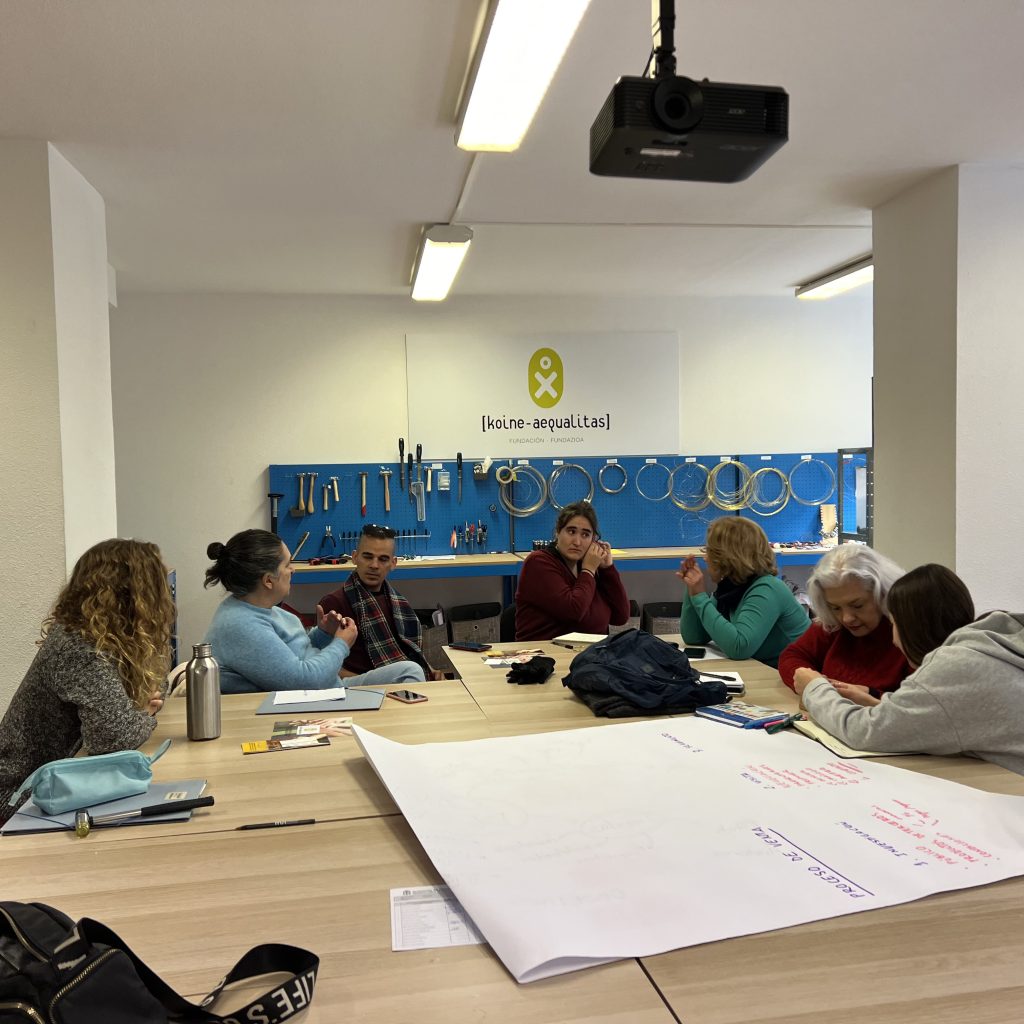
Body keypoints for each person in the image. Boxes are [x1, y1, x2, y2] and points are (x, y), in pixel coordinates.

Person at [0, 539, 173, 822]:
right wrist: (144, 714)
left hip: (62, 786)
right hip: (23, 800)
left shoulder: (107, 639)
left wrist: (137, 714)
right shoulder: (78, 647)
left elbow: (155, 684)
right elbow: (113, 739)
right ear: (134, 595)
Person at [795, 564, 1024, 774]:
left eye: (893, 623)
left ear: (910, 626)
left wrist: (814, 688)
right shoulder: (993, 643)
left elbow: (861, 731)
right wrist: (881, 705)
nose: (893, 639)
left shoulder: (956, 666)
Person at [204, 529, 363, 693]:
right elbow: (304, 682)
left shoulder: (266, 610)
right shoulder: (241, 625)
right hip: (313, 699)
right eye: (287, 565)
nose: (293, 570)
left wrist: (323, 634)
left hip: (330, 690)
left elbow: (292, 654)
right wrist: (341, 644)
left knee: (384, 676)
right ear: (268, 580)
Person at [778, 544, 909, 703]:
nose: (846, 618)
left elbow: (919, 705)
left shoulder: (908, 634)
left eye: (857, 605)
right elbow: (792, 656)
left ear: (882, 594)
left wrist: (872, 694)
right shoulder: (833, 625)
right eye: (835, 608)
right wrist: (814, 683)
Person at [678, 517, 809, 667]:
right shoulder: (731, 589)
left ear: (728, 557)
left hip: (798, 674)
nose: (705, 558)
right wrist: (693, 591)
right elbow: (694, 637)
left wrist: (700, 597)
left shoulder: (767, 589)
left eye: (710, 551)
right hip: (771, 671)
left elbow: (739, 648)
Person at [317, 524, 434, 683]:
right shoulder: (333, 604)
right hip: (360, 689)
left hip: (401, 680)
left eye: (383, 559)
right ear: (355, 557)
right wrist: (374, 684)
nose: (374, 565)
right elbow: (322, 668)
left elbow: (409, 650)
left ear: (393, 563)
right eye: (367, 557)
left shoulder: (399, 603)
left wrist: (431, 671)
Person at [515, 501, 630, 641]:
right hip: (547, 652)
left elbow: (621, 616)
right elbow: (573, 612)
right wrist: (588, 571)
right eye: (571, 531)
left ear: (593, 540)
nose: (577, 542)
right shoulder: (538, 563)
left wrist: (607, 570)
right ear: (558, 532)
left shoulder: (588, 565)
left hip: (591, 651)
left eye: (585, 535)